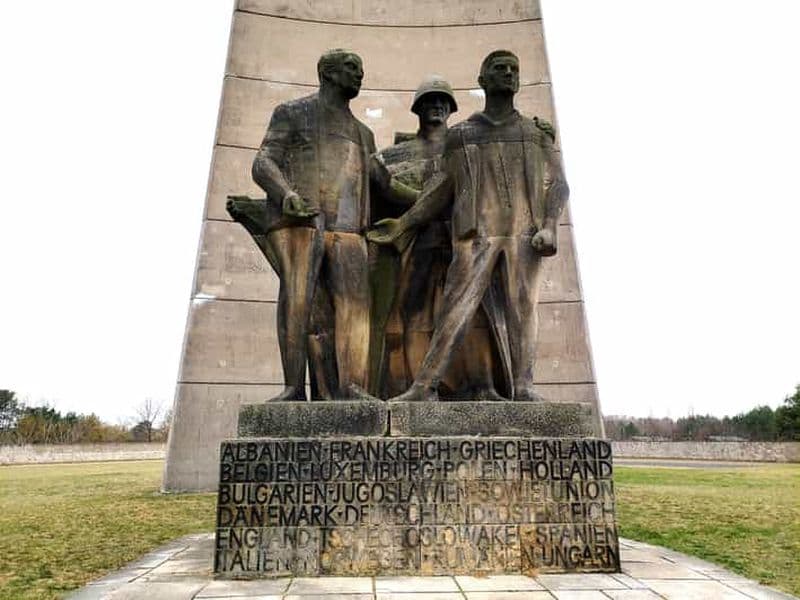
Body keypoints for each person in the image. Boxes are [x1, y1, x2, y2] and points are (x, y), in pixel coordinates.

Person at [368, 50, 569, 402]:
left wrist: (550, 225)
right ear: (482, 80)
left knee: (523, 310)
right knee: (454, 310)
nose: (507, 73)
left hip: (524, 237)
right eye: (498, 68)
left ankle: (523, 388)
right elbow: (441, 189)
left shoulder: (534, 134)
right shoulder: (461, 135)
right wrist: (404, 224)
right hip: (474, 238)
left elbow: (558, 184)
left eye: (512, 69)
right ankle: (423, 386)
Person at [249, 48, 376, 401]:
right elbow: (263, 163)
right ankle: (293, 387)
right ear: (327, 73)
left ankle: (352, 386)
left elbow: (382, 181)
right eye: (352, 67)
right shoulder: (292, 113)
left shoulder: (363, 134)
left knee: (355, 308)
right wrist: (285, 193)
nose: (359, 74)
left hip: (350, 231)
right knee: (296, 301)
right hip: (300, 222)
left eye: (360, 68)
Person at [369, 76, 503, 399]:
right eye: (430, 101)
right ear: (418, 108)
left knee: (474, 313)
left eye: (443, 102)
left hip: (462, 237)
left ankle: (482, 385)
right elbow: (381, 193)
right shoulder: (397, 154)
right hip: (419, 240)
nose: (437, 107)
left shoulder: (467, 146)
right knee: (410, 314)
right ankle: (413, 385)